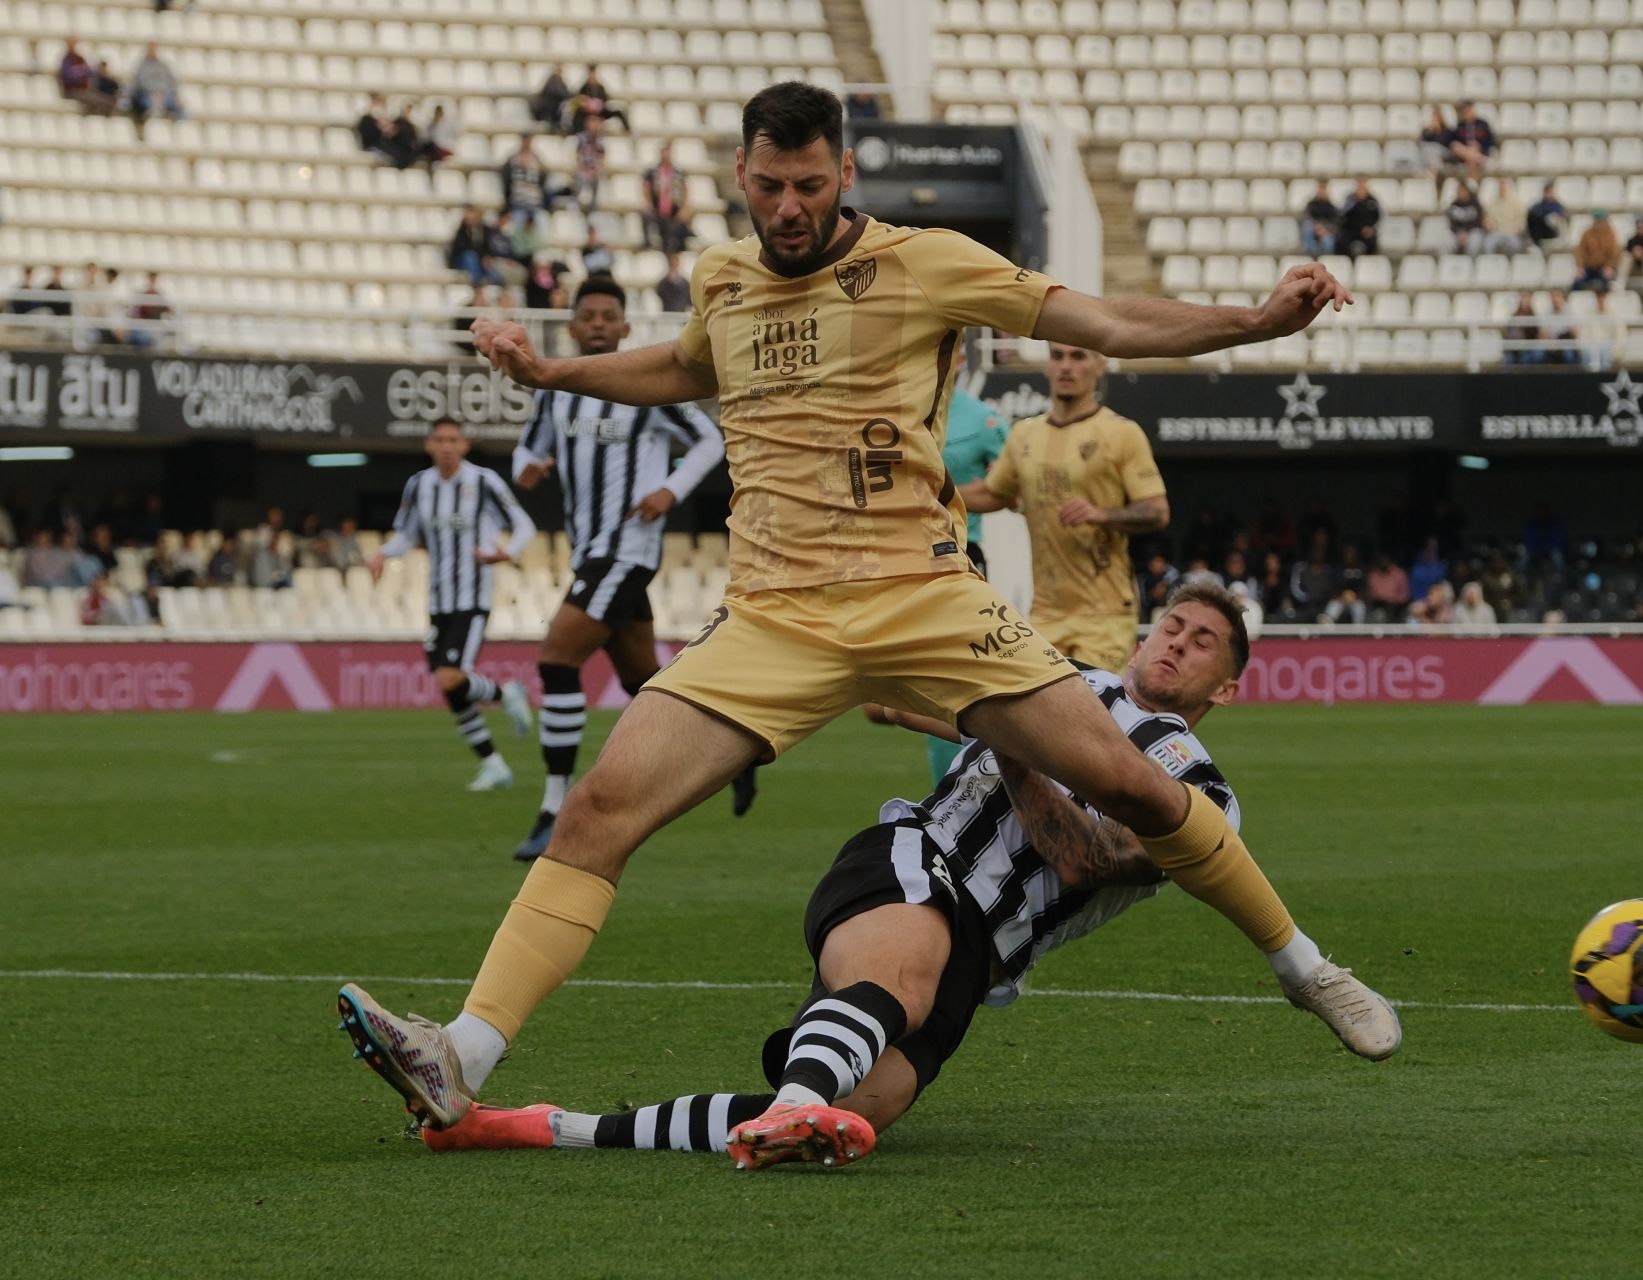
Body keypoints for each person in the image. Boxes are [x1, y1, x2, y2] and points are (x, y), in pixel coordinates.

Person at [334, 81, 1370, 1136]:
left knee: (1128, 780)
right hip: (774, 617)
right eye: (771, 186)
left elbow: (1098, 318)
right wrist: (554, 369)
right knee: (601, 805)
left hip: (922, 596)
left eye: (811, 187)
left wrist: (1250, 320)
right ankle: (460, 1053)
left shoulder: (927, 261)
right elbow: (684, 364)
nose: (789, 208)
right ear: (740, 174)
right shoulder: (722, 279)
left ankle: (1305, 967)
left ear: (846, 176)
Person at [408, 588, 1400, 1168]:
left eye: (1203, 642)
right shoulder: (1061, 683)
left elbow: (1083, 855)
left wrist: (992, 721)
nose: (1175, 641)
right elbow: (930, 682)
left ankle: (533, 1125)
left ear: (1227, 687)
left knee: (863, 1109)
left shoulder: (1206, 797)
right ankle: (795, 1095)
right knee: (896, 985)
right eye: (1170, 624)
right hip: (916, 864)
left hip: (986, 952)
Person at [505, 275, 731, 857]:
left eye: (610, 315)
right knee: (645, 684)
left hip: (626, 551)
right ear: (574, 327)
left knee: (557, 657)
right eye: (591, 315)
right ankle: (733, 756)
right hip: (589, 551)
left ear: (626, 328)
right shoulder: (554, 390)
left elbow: (710, 439)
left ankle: (555, 807)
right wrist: (527, 468)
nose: (600, 323)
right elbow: (526, 449)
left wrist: (671, 492)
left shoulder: (642, 388)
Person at [960, 340, 1169, 675]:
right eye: (1057, 356)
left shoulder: (1121, 433)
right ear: (1047, 366)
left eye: (1078, 356)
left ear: (1099, 366)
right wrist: (935, 491)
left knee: (1093, 717)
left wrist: (1101, 514)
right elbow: (993, 493)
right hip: (1045, 612)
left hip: (1105, 613)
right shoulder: (1024, 435)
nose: (1066, 366)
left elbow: (1157, 511)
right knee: (1041, 722)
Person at [369, 419, 536, 791]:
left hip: (472, 596)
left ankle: (506, 692)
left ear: (465, 445)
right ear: (428, 444)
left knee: (451, 675)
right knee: (451, 688)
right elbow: (407, 534)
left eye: (453, 440)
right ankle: (494, 766)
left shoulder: (484, 481)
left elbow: (524, 525)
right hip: (438, 598)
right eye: (439, 439)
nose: (446, 446)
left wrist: (505, 553)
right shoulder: (419, 485)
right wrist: (383, 552)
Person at [900, 339, 1006, 784]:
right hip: (902, 557)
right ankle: (957, 784)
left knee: (954, 681)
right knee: (907, 697)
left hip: (961, 557)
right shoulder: (900, 410)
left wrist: (952, 499)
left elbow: (1009, 487)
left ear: (960, 359)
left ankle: (962, 788)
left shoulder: (983, 421)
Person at [642, 144, 691, 254]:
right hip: (657, 207)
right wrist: (647, 202)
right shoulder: (652, 172)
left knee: (672, 234)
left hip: (673, 209)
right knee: (647, 216)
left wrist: (685, 207)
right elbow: (646, 186)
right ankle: (647, 242)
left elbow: (685, 189)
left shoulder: (678, 172)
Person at [127, 42, 184, 130]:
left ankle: (181, 130)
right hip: (147, 95)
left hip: (165, 95)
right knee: (154, 105)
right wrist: (155, 93)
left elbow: (172, 82)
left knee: (181, 109)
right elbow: (140, 83)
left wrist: (176, 96)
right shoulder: (142, 66)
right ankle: (155, 130)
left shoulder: (163, 65)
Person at [500, 135, 549, 232]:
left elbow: (544, 175)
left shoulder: (536, 159)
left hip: (534, 203)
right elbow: (505, 177)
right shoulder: (513, 159)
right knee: (518, 232)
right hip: (518, 203)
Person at [447, 207, 503, 289]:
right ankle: (478, 283)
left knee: (495, 273)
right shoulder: (462, 230)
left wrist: (487, 257)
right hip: (462, 260)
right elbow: (460, 248)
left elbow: (488, 247)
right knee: (470, 256)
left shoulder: (485, 230)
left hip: (480, 260)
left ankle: (497, 286)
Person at [1447, 101, 1496, 180]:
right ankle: (1481, 161)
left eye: (1466, 110)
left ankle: (1471, 180)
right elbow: (1453, 142)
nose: (1464, 113)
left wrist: (1479, 146)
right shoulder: (1460, 125)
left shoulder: (1483, 124)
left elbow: (1490, 142)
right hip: (1465, 154)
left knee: (1472, 155)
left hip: (1479, 152)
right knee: (1456, 146)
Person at [1572, 213, 1619, 290]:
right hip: (1589, 267)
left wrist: (1609, 266)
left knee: (1609, 283)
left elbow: (1614, 253)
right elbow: (1580, 251)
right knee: (1577, 283)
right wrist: (1580, 267)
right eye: (1598, 221)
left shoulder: (1611, 234)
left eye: (1602, 221)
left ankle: (1603, 301)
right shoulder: (1587, 234)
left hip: (1604, 268)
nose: (1600, 224)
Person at [1482, 177, 1526, 256]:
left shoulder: (1517, 203)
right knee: (1488, 243)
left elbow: (1521, 220)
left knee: (1515, 245)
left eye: (1504, 185)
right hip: (1496, 232)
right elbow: (1488, 220)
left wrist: (1517, 229)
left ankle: (1512, 265)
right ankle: (1491, 265)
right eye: (1500, 185)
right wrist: (1490, 226)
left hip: (1511, 233)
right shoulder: (1492, 203)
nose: (1502, 187)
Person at [572, 114, 606, 215]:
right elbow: (576, 158)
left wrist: (596, 169)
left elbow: (602, 158)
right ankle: (578, 204)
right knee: (581, 177)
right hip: (583, 170)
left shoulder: (600, 140)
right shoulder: (580, 138)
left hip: (594, 171)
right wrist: (584, 169)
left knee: (598, 178)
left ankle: (594, 207)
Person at [1338, 177, 1380, 256]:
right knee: (1342, 241)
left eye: (1363, 186)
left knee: (1372, 242)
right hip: (1351, 230)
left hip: (1367, 231)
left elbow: (1378, 217)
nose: (1361, 189)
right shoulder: (1350, 200)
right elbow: (1343, 216)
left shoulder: (1372, 201)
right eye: (1359, 186)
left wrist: (1371, 229)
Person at [1301, 180, 1339, 256]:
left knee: (1329, 241)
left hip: (1326, 231)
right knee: (1307, 226)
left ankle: (1325, 259)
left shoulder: (1332, 207)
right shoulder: (1311, 204)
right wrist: (1316, 227)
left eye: (1323, 189)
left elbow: (1335, 223)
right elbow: (1306, 217)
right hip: (1313, 228)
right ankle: (1310, 254)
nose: (1322, 192)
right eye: (1320, 189)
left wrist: (1325, 229)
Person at [1503, 291, 1542, 365]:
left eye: (1526, 299)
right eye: (1523, 299)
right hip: (1515, 346)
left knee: (1534, 355)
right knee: (1509, 356)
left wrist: (1525, 326)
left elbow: (1536, 333)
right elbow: (1509, 332)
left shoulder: (1533, 316)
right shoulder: (1514, 316)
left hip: (1529, 346)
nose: (1524, 301)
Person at [1446, 180, 1484, 255]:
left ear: (1467, 191)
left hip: (1472, 231)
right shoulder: (1454, 205)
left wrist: (1466, 232)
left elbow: (1479, 222)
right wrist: (1458, 232)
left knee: (1474, 242)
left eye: (1461, 190)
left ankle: (1471, 262)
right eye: (1458, 190)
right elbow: (1451, 223)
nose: (1459, 192)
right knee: (1447, 241)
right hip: (1457, 233)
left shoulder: (1475, 204)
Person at [1526, 181, 1565, 250]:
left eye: (1550, 191)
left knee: (1550, 219)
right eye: (1547, 191)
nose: (1548, 194)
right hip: (1540, 230)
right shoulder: (1538, 205)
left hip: (1551, 231)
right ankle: (1536, 242)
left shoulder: (1557, 206)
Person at [530, 64, 569, 131]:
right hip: (549, 107)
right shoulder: (551, 82)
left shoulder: (561, 83)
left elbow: (564, 94)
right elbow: (557, 93)